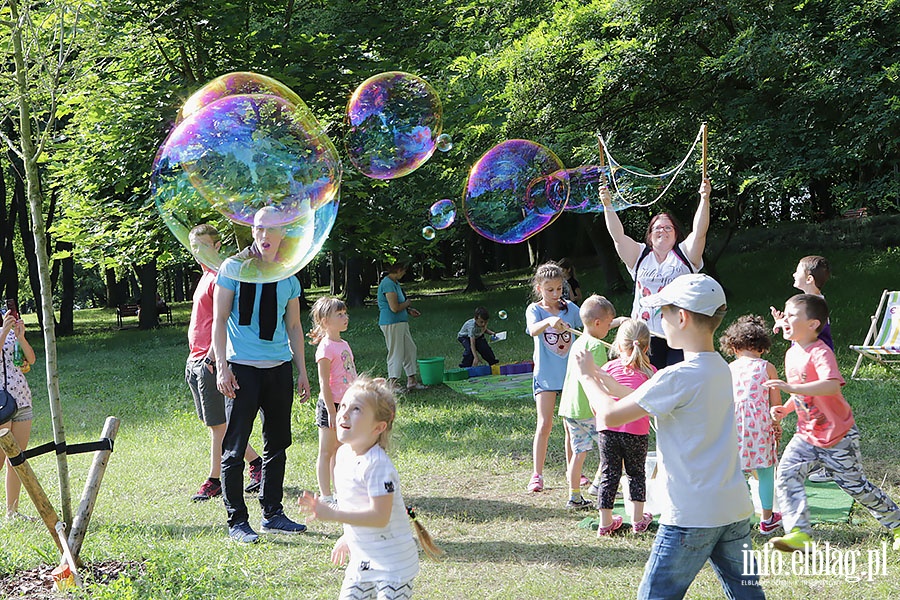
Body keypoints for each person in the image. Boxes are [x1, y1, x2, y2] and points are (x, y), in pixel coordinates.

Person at [576, 273, 764, 598]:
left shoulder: (678, 376)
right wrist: (597, 375)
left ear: (682, 317)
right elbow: (645, 401)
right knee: (747, 594)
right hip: (733, 508)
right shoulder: (720, 367)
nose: (659, 320)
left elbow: (608, 415)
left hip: (691, 515)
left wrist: (585, 376)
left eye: (663, 313)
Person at [765, 294, 900, 553]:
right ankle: (798, 534)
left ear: (813, 324)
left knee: (856, 487)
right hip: (806, 435)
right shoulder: (793, 352)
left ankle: (897, 523)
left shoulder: (820, 352)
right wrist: (787, 408)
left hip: (838, 435)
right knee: (786, 473)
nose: (785, 319)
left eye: (791, 315)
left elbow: (831, 385)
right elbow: (803, 392)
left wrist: (790, 386)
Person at [213, 206, 312, 543]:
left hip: (278, 369)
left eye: (272, 229)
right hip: (241, 369)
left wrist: (301, 370)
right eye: (259, 229)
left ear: (283, 233)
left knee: (277, 444)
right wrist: (222, 367)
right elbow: (219, 318)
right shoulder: (233, 268)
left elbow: (295, 325)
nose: (265, 235)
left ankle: (273, 513)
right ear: (252, 231)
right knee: (235, 446)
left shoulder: (289, 276)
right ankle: (237, 521)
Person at [297, 377, 442, 599]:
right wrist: (348, 536)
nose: (344, 413)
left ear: (379, 427)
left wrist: (333, 514)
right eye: (343, 405)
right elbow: (352, 503)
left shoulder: (377, 465)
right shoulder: (343, 455)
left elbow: (379, 517)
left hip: (393, 565)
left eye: (356, 409)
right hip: (363, 560)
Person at [185, 224, 262, 503]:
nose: (198, 251)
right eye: (195, 246)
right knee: (218, 423)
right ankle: (256, 463)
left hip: (212, 358)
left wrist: (216, 357)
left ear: (217, 246)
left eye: (204, 245)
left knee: (219, 424)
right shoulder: (206, 275)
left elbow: (227, 319)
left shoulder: (222, 276)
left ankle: (214, 480)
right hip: (196, 358)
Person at [601, 180, 711, 370]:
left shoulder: (685, 254)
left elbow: (700, 233)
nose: (663, 230)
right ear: (649, 235)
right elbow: (618, 237)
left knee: (677, 384)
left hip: (680, 333)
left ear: (676, 234)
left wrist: (704, 198)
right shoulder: (640, 254)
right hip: (644, 336)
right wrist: (607, 205)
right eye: (657, 228)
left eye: (668, 227)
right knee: (647, 384)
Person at [770, 255, 832, 483]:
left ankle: (828, 464)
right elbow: (802, 333)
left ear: (808, 278)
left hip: (817, 367)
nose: (793, 274)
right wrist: (784, 323)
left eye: (797, 271)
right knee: (811, 413)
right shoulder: (807, 302)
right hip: (806, 364)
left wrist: (787, 323)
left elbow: (814, 336)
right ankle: (819, 460)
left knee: (820, 415)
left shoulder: (814, 304)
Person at [719, 315, 783, 534]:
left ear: (734, 346)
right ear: (762, 347)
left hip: (733, 425)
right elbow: (776, 405)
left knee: (735, 473)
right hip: (760, 425)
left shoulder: (729, 368)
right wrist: (776, 424)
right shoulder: (767, 368)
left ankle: (737, 517)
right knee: (765, 472)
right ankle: (767, 519)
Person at [593, 318, 656, 537]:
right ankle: (638, 520)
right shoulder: (651, 373)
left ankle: (605, 523)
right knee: (636, 474)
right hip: (636, 432)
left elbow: (597, 400)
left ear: (618, 346)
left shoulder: (607, 368)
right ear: (646, 347)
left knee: (609, 473)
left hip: (607, 430)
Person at [525, 261, 583, 493]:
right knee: (545, 424)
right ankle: (537, 474)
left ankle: (574, 471)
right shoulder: (535, 310)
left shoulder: (570, 308)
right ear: (539, 288)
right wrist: (549, 321)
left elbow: (586, 326)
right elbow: (532, 330)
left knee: (571, 426)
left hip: (570, 375)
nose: (556, 294)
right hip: (546, 376)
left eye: (559, 289)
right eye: (550, 289)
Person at [557, 295, 616, 509]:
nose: (609, 329)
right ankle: (601, 485)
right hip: (588, 409)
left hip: (570, 409)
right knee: (611, 449)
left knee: (578, 453)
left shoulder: (579, 341)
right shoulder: (597, 346)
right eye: (609, 325)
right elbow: (600, 378)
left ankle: (574, 497)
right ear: (598, 323)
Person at [308, 296, 357, 507]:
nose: (345, 317)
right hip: (331, 406)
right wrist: (331, 411)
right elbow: (324, 383)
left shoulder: (343, 344)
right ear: (325, 321)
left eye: (345, 313)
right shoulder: (326, 348)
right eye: (339, 314)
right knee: (326, 451)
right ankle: (326, 496)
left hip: (344, 406)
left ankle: (339, 493)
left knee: (339, 450)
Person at [0, 306, 36, 520]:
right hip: (1, 404)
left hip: (22, 399)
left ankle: (11, 513)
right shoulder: (4, 331)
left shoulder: (12, 330)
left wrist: (20, 336)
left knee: (17, 460)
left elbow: (30, 360)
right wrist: (3, 332)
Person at [377, 262, 425, 391]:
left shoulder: (395, 283)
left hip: (400, 322)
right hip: (391, 323)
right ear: (398, 270)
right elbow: (394, 307)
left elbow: (399, 305)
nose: (404, 273)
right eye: (403, 270)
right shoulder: (387, 283)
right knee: (396, 351)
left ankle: (412, 380)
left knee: (410, 349)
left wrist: (409, 310)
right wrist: (407, 302)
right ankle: (393, 383)